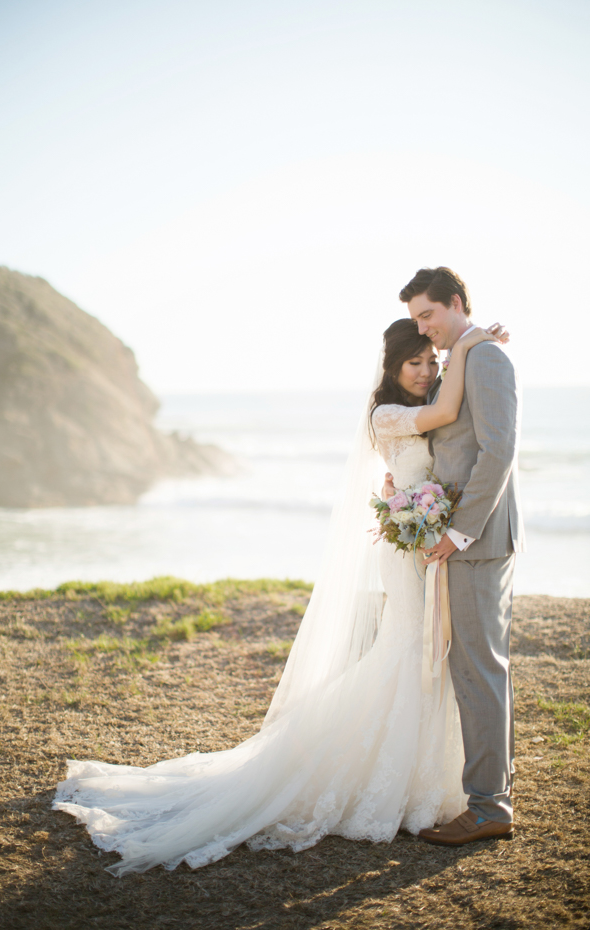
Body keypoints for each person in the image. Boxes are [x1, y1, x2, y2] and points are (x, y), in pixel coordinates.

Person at [52, 303, 507, 875]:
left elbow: (446, 435)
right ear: (391, 368)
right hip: (405, 553)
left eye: (428, 359)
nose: (423, 369)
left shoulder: (423, 407)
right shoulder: (389, 414)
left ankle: (429, 781)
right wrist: (468, 345)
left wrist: (415, 495)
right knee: (409, 652)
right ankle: (381, 782)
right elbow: (448, 408)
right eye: (413, 362)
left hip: (426, 548)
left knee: (429, 657)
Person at [399, 266, 525, 846]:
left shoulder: (488, 360)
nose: (423, 329)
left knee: (479, 669)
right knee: (474, 667)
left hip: (477, 542)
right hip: (459, 540)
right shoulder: (466, 357)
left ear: (455, 303)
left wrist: (460, 533)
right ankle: (491, 790)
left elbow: (497, 453)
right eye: (415, 320)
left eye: (428, 315)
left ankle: (488, 806)